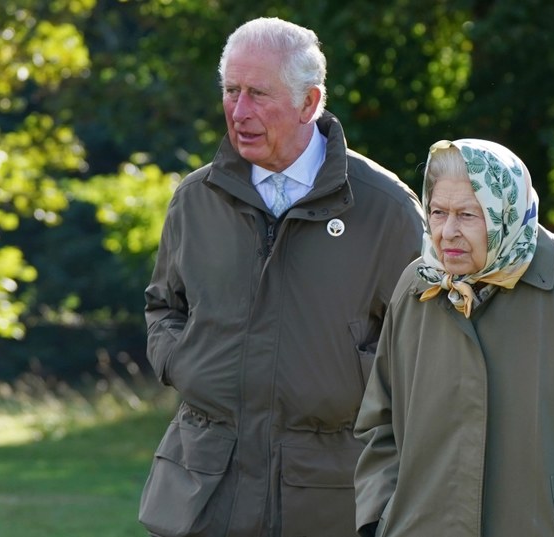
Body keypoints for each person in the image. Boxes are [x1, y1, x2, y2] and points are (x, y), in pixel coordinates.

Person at [138, 17, 424, 537]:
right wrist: (182, 363)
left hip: (329, 495)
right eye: (231, 91)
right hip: (203, 490)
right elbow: (164, 304)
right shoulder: (196, 199)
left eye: (258, 94)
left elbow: (424, 338)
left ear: (309, 103)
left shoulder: (385, 209)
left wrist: (355, 376)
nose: (239, 111)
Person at [354, 139, 554, 537]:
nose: (447, 232)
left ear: (504, 211)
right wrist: (379, 518)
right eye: (437, 212)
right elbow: (379, 424)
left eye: (468, 215)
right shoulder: (416, 286)